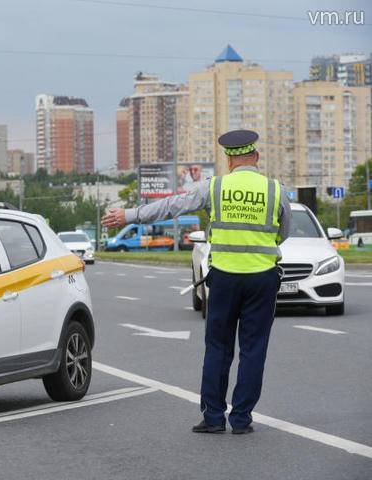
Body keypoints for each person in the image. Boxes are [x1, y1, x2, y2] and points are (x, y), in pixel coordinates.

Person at [102, 129, 290, 435]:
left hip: (225, 279)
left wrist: (130, 214)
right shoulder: (276, 190)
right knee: (253, 350)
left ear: (229, 159)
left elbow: (173, 205)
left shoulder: (214, 187)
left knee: (218, 348)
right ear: (255, 157)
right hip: (262, 279)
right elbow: (284, 232)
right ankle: (241, 419)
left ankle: (214, 417)